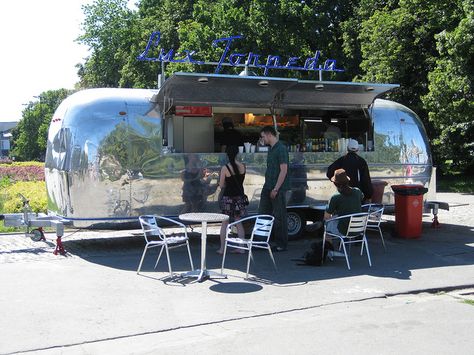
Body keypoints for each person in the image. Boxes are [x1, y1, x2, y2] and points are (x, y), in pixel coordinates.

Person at [258, 126, 290, 252]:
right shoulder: (272, 149)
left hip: (277, 188)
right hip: (268, 186)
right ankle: (261, 241)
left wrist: (276, 189)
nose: (262, 139)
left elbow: (284, 170)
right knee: (263, 214)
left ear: (269, 134)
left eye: (263, 136)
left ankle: (281, 244)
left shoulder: (281, 149)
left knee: (279, 216)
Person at [217, 145, 247, 254]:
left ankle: (222, 249)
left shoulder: (225, 168)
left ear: (227, 155)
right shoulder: (243, 166)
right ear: (237, 154)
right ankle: (241, 247)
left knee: (224, 223)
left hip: (228, 198)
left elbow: (221, 185)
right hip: (239, 197)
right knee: (238, 222)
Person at [324, 168, 364, 235]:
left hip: (344, 231)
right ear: (347, 181)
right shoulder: (357, 191)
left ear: (335, 183)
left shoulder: (335, 197)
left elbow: (327, 217)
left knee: (327, 225)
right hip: (359, 228)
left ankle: (328, 245)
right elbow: (361, 198)